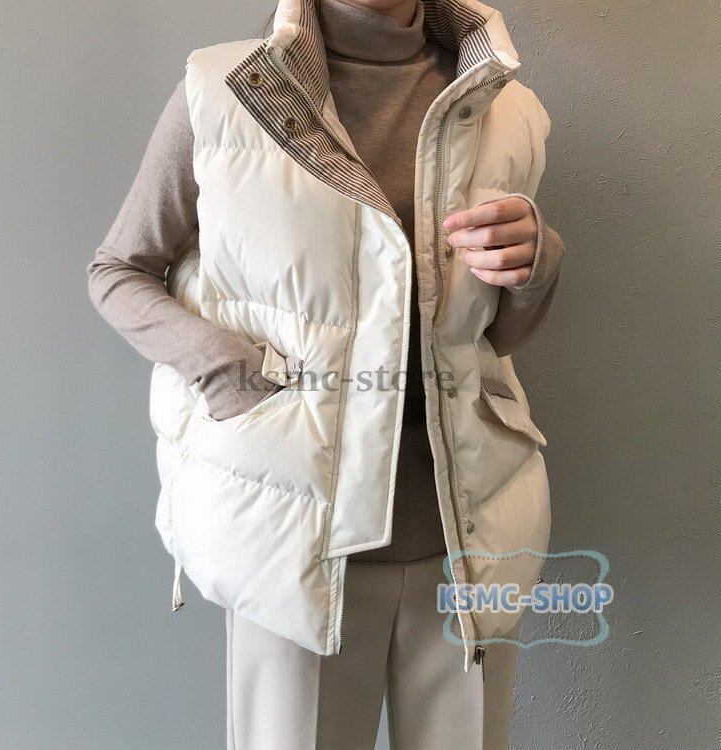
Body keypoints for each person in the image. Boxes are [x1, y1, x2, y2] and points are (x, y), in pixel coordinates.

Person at [87, 0, 565, 747]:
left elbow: (498, 337)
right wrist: (228, 374)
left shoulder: (506, 106)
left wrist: (536, 263)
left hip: (470, 535)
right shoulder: (224, 89)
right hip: (292, 537)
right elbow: (120, 270)